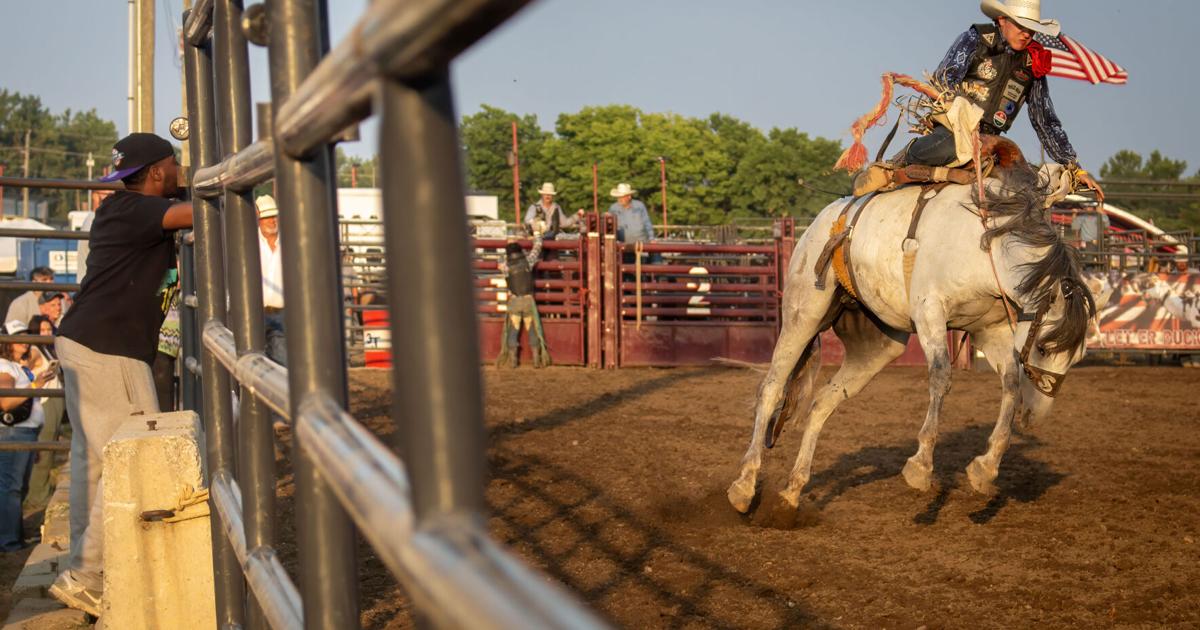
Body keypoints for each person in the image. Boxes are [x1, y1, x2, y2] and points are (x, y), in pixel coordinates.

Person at [49, 132, 192, 617]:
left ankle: (85, 569)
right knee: (130, 457)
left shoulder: (124, 207)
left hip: (90, 341)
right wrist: (212, 185)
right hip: (108, 348)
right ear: (157, 172)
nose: (178, 171)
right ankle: (86, 575)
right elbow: (193, 214)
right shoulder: (134, 209)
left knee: (95, 460)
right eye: (174, 164)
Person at [855, 0, 1104, 201]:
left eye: (1031, 29)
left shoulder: (1033, 64)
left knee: (1028, 186)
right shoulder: (977, 39)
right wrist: (961, 112)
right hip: (955, 129)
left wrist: (1074, 167)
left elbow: (1045, 120)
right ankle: (894, 167)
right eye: (1021, 26)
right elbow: (944, 79)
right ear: (1002, 20)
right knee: (946, 148)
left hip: (993, 142)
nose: (1026, 34)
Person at [0, 321, 53, 552]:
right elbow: (6, 402)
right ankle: (8, 541)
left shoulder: (17, 366)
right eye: (18, 336)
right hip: (14, 432)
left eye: (26, 334)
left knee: (17, 487)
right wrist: (36, 385)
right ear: (7, 342)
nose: (25, 340)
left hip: (25, 432)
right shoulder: (4, 367)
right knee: (11, 487)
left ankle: (13, 536)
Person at [495, 232, 550, 368]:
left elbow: (499, 261)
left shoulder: (505, 266)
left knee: (513, 330)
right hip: (528, 300)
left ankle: (513, 361)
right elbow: (537, 247)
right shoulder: (528, 261)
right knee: (532, 328)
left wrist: (509, 243)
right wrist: (537, 235)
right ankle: (536, 359)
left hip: (514, 301)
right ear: (520, 251)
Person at [257, 195, 286, 365]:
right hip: (256, 311)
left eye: (274, 216)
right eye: (267, 216)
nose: (272, 220)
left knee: (280, 360)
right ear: (259, 219)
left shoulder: (288, 242)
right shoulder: (251, 242)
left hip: (281, 312)